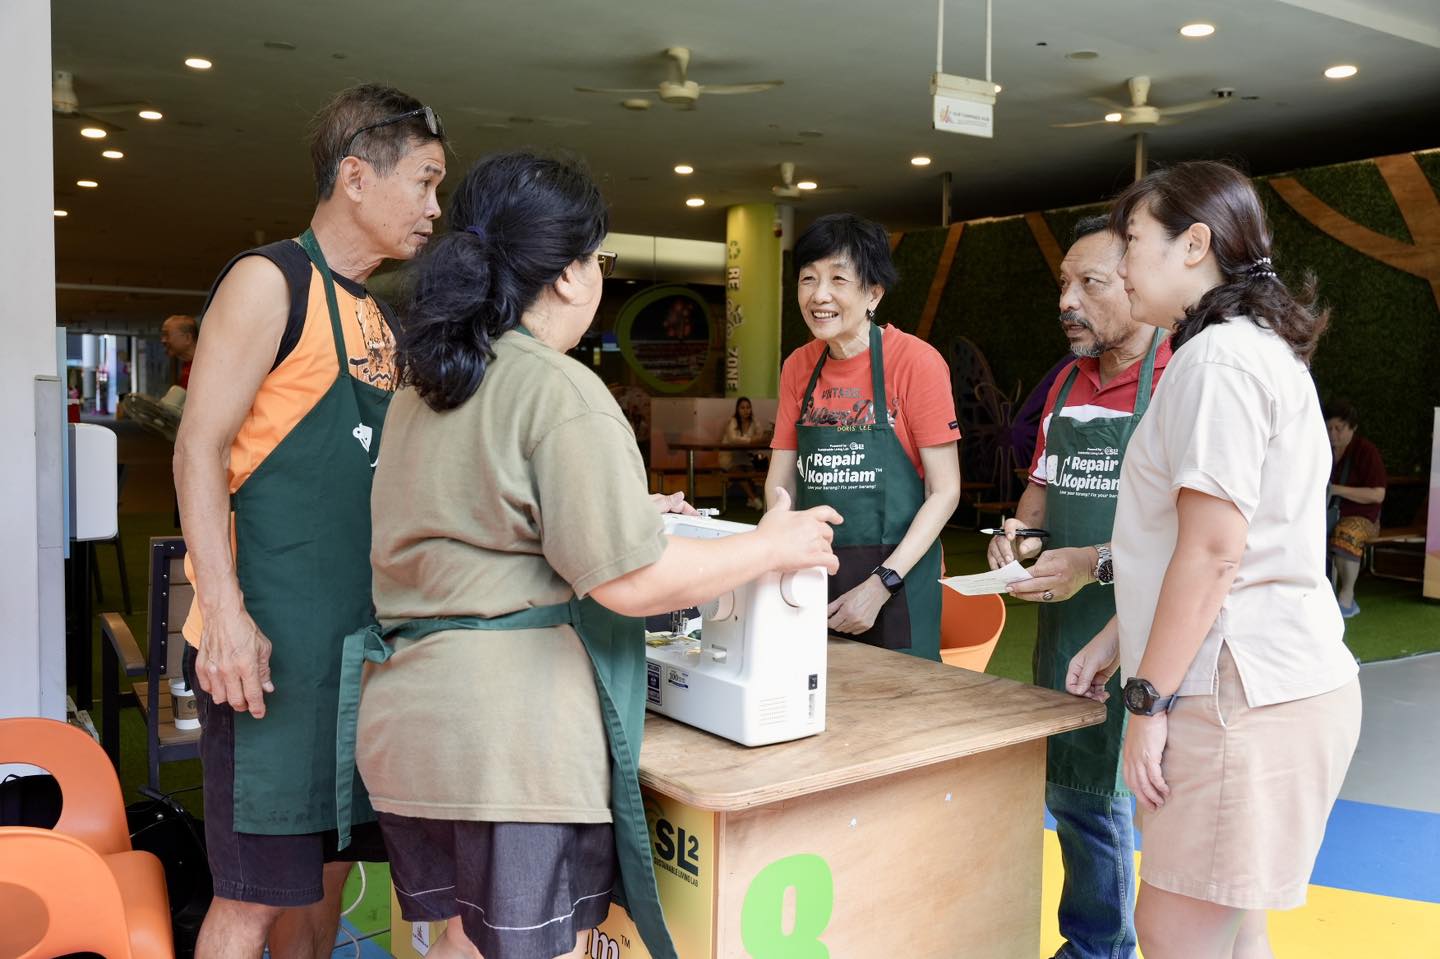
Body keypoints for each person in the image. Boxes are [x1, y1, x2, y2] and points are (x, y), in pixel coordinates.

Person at [346, 151, 841, 959]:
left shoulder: (429, 383)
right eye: (598, 258)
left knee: (464, 946)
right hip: (510, 747)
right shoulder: (558, 388)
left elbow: (475, 519)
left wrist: (623, 511)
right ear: (572, 275)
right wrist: (768, 544)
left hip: (414, 732)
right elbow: (631, 580)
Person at [173, 83, 445, 959]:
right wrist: (224, 621)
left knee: (328, 876)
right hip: (263, 651)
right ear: (357, 177)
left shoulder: (377, 316)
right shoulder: (269, 281)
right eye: (426, 182)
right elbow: (198, 449)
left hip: (352, 651)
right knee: (252, 893)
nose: (436, 209)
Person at [1068, 161, 1361, 959]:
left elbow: (1214, 548)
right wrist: (1121, 635)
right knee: (1237, 931)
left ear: (1193, 244)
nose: (1122, 264)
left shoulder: (1215, 360)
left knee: (1173, 935)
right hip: (1275, 684)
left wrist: (1146, 700)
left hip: (1235, 693)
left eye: (1132, 242)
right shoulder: (1256, 350)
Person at [987, 214, 1171, 959]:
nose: (1067, 300)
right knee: (1072, 792)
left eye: (1088, 284)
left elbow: (1191, 533)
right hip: (1063, 627)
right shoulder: (1064, 381)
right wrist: (1016, 539)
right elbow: (1040, 492)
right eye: (1063, 283)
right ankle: (1095, 941)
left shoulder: (1180, 375)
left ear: (1135, 285)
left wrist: (1090, 562)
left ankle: (1102, 947)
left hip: (1151, 632)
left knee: (1117, 802)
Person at [766, 213, 962, 660]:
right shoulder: (799, 365)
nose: (820, 295)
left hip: (898, 584)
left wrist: (882, 584)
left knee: (901, 716)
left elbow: (945, 491)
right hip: (814, 575)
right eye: (808, 279)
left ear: (874, 293)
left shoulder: (916, 362)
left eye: (838, 279)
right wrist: (779, 557)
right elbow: (782, 484)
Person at [1324, 399, 1387, 617]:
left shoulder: (1366, 451)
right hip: (1327, 515)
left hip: (1364, 519)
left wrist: (1337, 490)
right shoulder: (1323, 451)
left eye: (1338, 429)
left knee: (1346, 533)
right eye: (1329, 428)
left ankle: (1346, 597)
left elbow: (1378, 494)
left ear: (1352, 427)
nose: (1333, 434)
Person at [719, 395, 770, 509]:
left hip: (746, 456)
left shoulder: (754, 422)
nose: (746, 410)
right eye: (742, 408)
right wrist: (751, 440)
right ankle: (754, 499)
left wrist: (760, 438)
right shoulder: (732, 422)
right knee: (739, 471)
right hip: (729, 457)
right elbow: (733, 439)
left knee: (754, 469)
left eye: (748, 407)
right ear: (737, 409)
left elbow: (761, 436)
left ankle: (754, 498)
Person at [161, 313, 199, 388]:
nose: (163, 340)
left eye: (167, 335)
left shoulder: (208, 367)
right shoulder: (186, 368)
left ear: (187, 338)